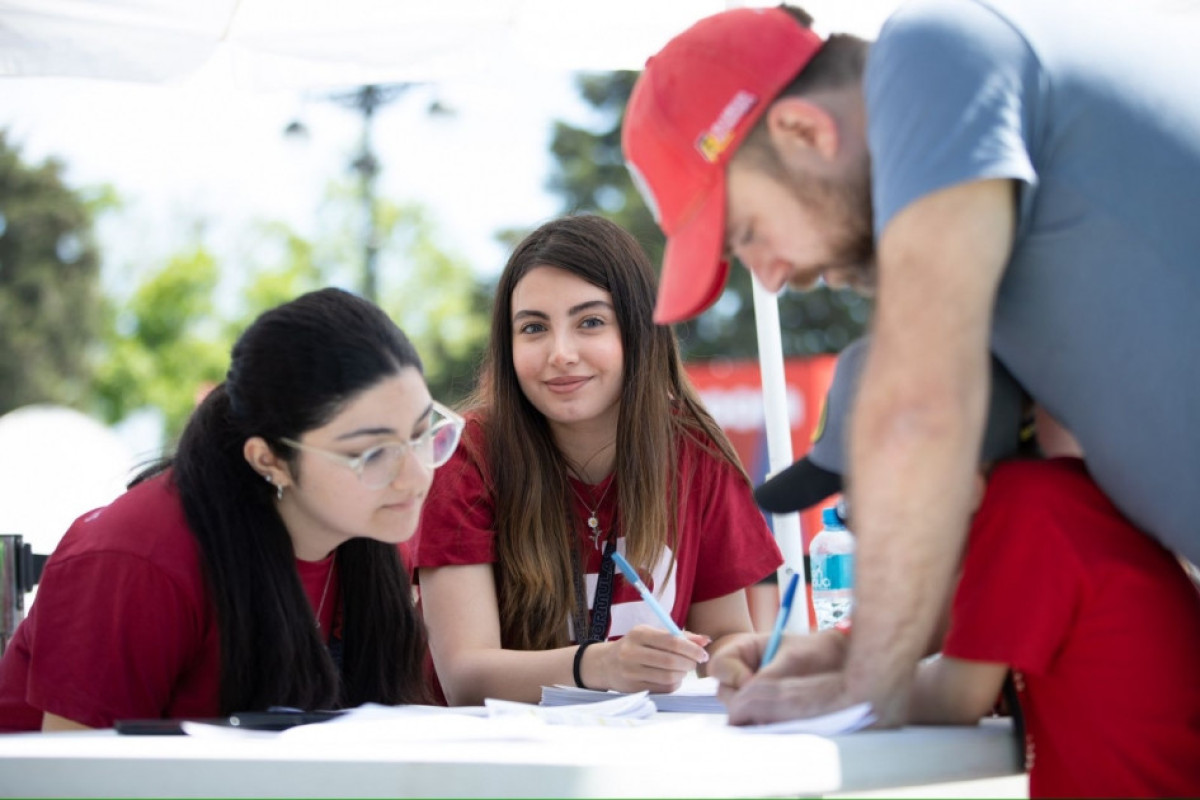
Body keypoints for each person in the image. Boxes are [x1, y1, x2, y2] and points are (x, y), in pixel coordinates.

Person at [621, 1, 1200, 725]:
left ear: (803, 130)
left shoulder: (933, 49)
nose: (768, 277)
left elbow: (921, 409)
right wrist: (855, 652)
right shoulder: (1001, 238)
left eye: (748, 234)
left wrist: (868, 680)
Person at [714, 338, 1200, 797]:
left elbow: (956, 697)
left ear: (959, 478)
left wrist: (806, 701)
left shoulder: (1033, 513)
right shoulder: (1023, 510)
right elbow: (912, 629)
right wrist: (802, 656)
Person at [0, 287, 464, 731]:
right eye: (373, 453)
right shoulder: (136, 558)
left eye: (423, 435)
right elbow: (75, 776)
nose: (418, 475)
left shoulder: (373, 533)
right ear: (270, 459)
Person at [412, 214, 783, 705]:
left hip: (642, 758)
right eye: (533, 328)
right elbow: (465, 675)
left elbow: (725, 634)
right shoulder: (468, 459)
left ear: (639, 333)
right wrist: (603, 663)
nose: (561, 353)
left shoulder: (696, 454)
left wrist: (739, 661)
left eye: (590, 322)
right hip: (492, 767)